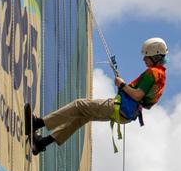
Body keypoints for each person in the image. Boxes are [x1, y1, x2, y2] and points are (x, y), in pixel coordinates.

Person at [25, 38, 168, 153]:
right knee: (83, 116)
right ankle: (42, 143)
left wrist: (122, 85)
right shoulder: (161, 76)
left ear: (155, 56)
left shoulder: (153, 73)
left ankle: (37, 123)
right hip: (126, 114)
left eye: (147, 56)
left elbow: (137, 95)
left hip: (120, 108)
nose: (144, 60)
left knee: (79, 105)